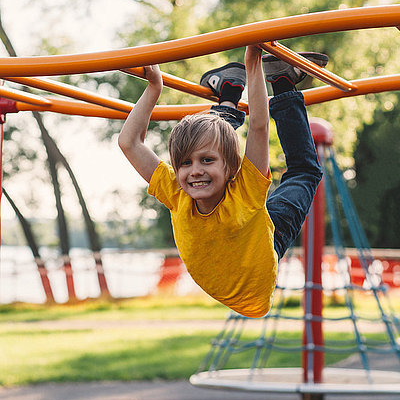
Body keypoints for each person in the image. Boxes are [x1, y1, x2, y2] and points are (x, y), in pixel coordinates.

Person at [118, 46, 327, 317]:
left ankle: (253, 87)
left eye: (206, 162)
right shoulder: (177, 192)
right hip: (261, 244)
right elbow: (129, 142)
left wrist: (253, 64)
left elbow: (259, 128)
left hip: (254, 233)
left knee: (303, 171)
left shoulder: (244, 188)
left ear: (232, 169)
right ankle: (261, 83)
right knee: (209, 140)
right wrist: (154, 88)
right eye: (184, 163)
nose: (194, 171)